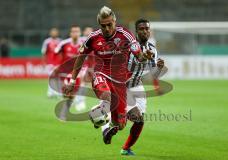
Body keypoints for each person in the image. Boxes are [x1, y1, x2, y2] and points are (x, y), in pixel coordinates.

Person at [63, 6, 152, 138]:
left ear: (114, 22)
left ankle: (105, 122)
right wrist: (72, 81)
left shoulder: (125, 35)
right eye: (103, 26)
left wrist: (145, 56)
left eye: (109, 25)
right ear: (99, 24)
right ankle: (97, 113)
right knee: (108, 98)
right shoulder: (93, 37)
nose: (107, 29)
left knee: (120, 124)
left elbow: (139, 55)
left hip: (120, 83)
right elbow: (80, 58)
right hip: (101, 75)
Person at [100, 18, 167, 155]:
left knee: (139, 122)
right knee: (133, 117)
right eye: (141, 29)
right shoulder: (128, 45)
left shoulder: (152, 49)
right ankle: (111, 124)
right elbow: (140, 58)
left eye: (147, 29)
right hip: (122, 85)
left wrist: (159, 68)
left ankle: (125, 148)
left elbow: (154, 75)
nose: (145, 31)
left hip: (137, 85)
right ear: (136, 31)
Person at [55, 25, 88, 111]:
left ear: (80, 33)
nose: (75, 33)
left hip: (80, 69)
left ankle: (80, 100)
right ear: (70, 33)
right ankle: (71, 102)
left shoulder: (84, 44)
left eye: (77, 31)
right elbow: (55, 52)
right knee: (66, 93)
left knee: (81, 80)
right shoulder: (64, 44)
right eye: (73, 31)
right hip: (66, 70)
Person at [41, 28, 61, 98]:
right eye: (53, 32)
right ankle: (50, 92)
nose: (54, 33)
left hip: (58, 63)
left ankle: (58, 92)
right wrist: (43, 62)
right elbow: (44, 52)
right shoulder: (47, 42)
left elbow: (62, 53)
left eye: (55, 32)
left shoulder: (60, 41)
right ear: (50, 33)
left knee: (58, 78)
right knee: (51, 77)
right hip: (50, 63)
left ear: (57, 33)